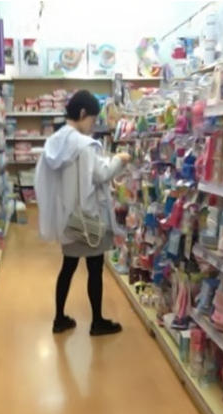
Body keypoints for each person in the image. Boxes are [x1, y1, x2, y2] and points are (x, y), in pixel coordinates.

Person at [35, 90, 131, 336]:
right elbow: (100, 174)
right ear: (82, 113)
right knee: (95, 268)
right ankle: (97, 321)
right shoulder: (84, 145)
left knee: (68, 267)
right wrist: (119, 160)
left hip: (68, 217)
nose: (93, 126)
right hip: (88, 217)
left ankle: (59, 318)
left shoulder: (56, 141)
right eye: (93, 119)